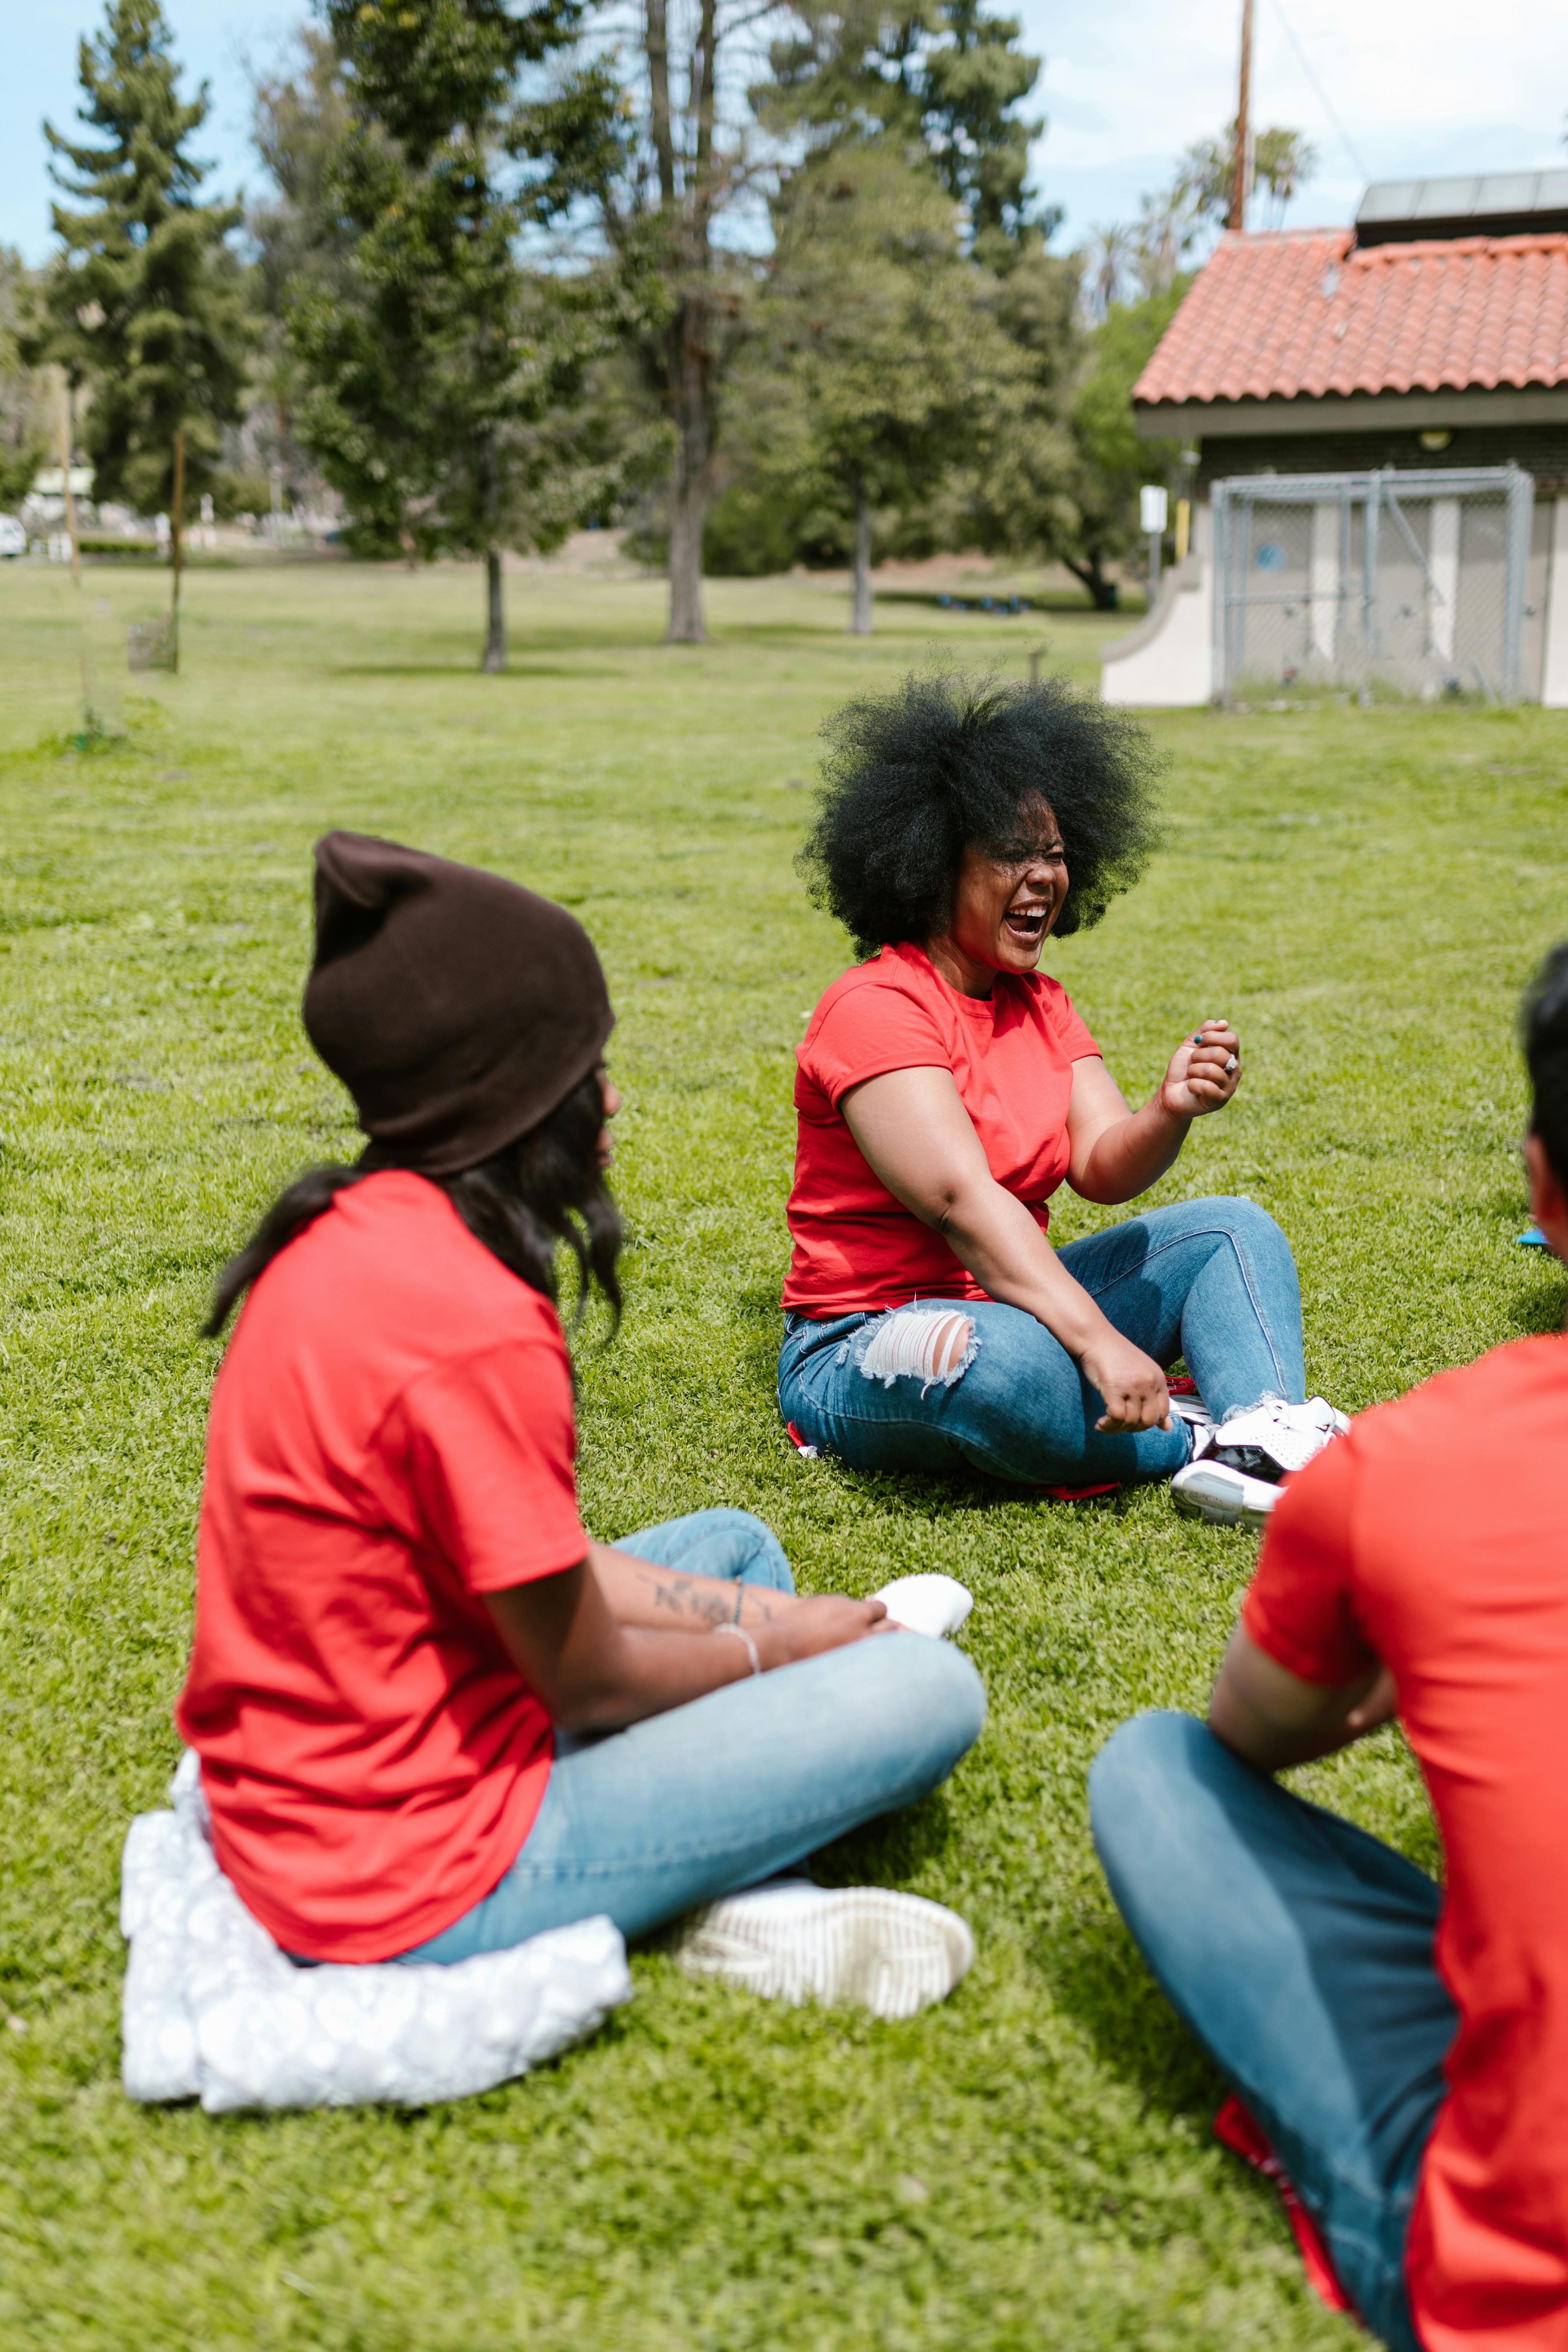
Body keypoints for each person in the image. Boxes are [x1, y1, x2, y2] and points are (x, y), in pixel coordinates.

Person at [177, 832, 985, 1990]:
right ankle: (661, 1892)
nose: (610, 1097)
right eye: (583, 1069)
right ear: (508, 1097)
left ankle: (691, 1868)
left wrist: (764, 1617)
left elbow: (536, 1575)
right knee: (925, 1688)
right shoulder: (466, 1315)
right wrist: (779, 1643)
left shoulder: (349, 1229)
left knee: (737, 1547)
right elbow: (587, 1679)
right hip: (404, 1875)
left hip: (316, 1774)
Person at [1089, 944, 1568, 2349]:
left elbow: (1251, 1737)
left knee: (1159, 1770)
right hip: (949, 1329)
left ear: (1542, 1189)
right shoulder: (889, 1016)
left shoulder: (1429, 1460)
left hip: (1515, 2280)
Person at [777, 671, 1343, 1523]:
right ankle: (1198, 1448)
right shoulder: (875, 1008)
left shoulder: (1039, 1002)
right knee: (999, 1370)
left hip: (1016, 1298)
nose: (1043, 876)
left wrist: (1168, 1110)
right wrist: (1099, 1342)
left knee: (1231, 1230)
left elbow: (1101, 1164)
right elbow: (964, 1203)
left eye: (1055, 852)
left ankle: (1269, 1431)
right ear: (935, 863)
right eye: (1013, 852)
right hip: (869, 1335)